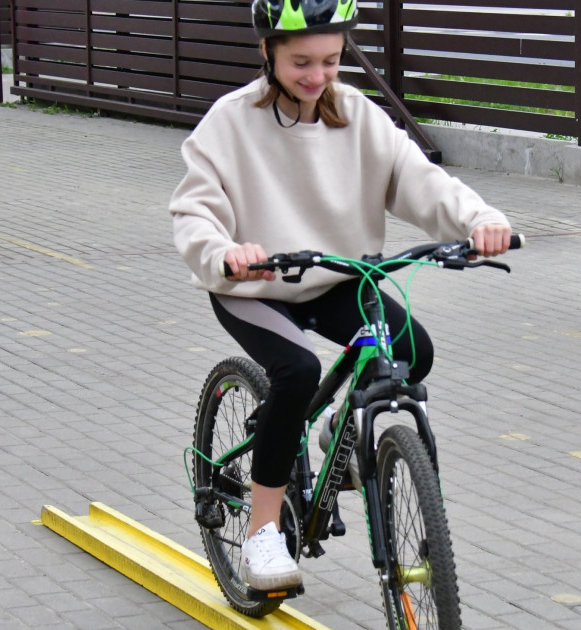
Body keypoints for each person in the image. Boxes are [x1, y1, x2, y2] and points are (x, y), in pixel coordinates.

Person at [169, 0, 512, 591]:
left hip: (334, 276)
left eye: (331, 61)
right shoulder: (230, 121)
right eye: (301, 61)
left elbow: (418, 180)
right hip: (254, 284)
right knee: (297, 370)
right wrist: (224, 252)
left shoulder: (356, 114)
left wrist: (478, 220)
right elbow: (194, 209)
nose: (317, 76)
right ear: (268, 52)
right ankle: (262, 534)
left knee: (411, 351)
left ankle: (335, 432)